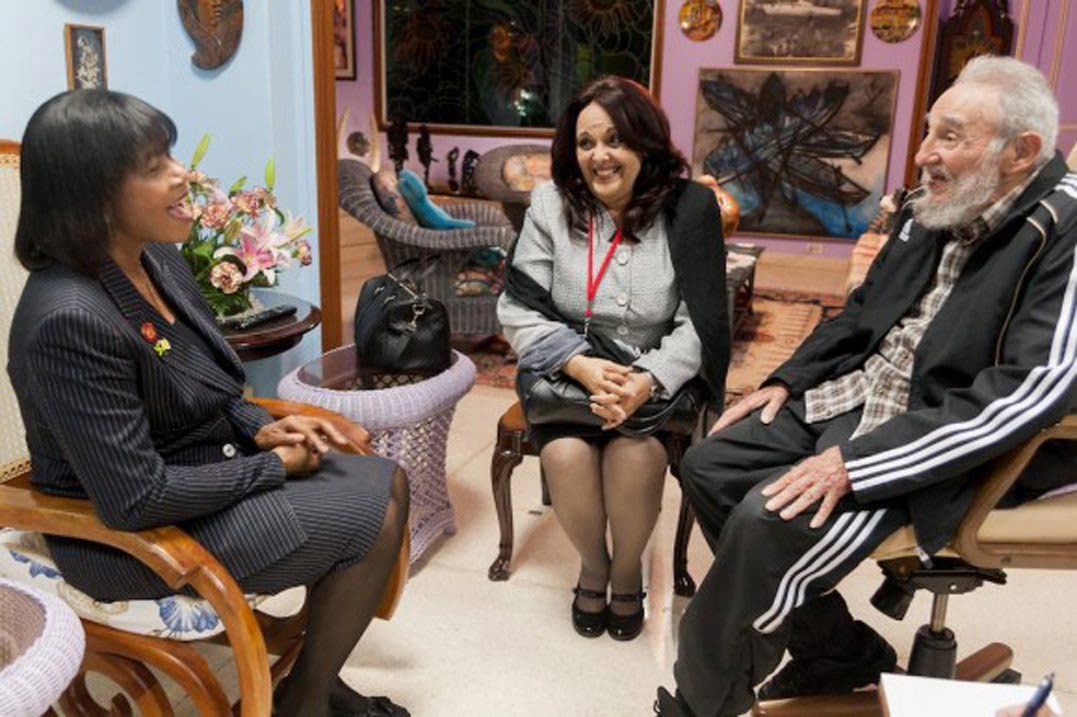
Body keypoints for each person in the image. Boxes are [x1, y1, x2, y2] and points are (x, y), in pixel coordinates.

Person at [656, 56, 1077, 716]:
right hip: (864, 389)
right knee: (709, 463)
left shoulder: (1064, 230)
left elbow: (1030, 387)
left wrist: (857, 464)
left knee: (768, 520)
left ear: (1020, 152)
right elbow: (862, 310)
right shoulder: (932, 205)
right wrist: (787, 379)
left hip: (943, 434)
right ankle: (837, 651)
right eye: (928, 131)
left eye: (949, 136)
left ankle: (698, 704)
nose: (921, 155)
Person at [7, 89, 410, 717]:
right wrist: (273, 468)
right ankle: (305, 703)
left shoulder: (157, 261)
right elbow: (133, 498)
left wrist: (260, 427)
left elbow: (205, 385)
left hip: (195, 473)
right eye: (152, 166)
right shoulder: (68, 319)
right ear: (91, 195)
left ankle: (313, 684)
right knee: (373, 515)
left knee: (388, 482)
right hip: (128, 536)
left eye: (170, 155)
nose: (183, 175)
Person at [497, 76, 729, 641]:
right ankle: (594, 568)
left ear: (645, 144)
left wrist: (648, 379)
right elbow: (516, 306)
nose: (599, 156)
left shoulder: (690, 208)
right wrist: (578, 364)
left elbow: (701, 320)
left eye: (615, 140)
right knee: (569, 455)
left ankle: (627, 575)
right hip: (567, 374)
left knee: (637, 455)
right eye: (585, 143)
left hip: (651, 379)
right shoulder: (551, 204)